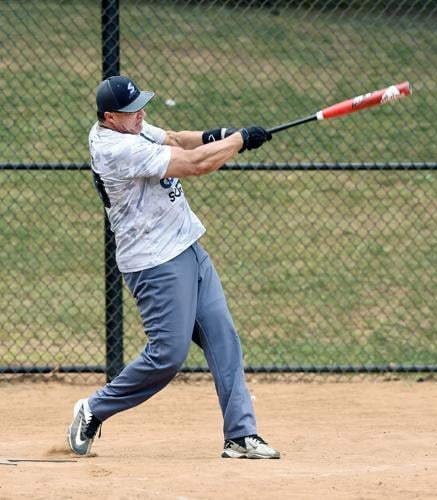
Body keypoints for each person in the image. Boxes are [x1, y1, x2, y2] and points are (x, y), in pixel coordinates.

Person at [67, 75, 280, 460]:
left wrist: (220, 134)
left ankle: (240, 434)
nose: (141, 114)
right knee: (167, 355)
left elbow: (179, 140)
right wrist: (239, 141)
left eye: (141, 106)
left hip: (187, 246)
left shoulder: (132, 127)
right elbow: (195, 164)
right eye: (132, 112)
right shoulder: (117, 149)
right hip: (154, 261)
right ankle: (94, 408)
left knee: (224, 339)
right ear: (111, 118)